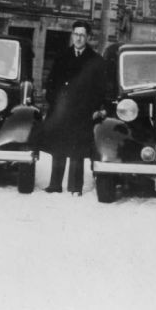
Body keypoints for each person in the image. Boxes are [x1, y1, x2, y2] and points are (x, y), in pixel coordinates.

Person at [38, 21, 106, 195]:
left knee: (77, 149)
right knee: (58, 148)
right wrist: (54, 101)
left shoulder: (95, 60)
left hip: (82, 112)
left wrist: (92, 108)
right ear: (72, 35)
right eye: (76, 34)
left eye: (82, 35)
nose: (78, 38)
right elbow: (51, 82)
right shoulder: (62, 56)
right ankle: (55, 185)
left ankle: (75, 187)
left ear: (88, 37)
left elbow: (100, 88)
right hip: (62, 110)